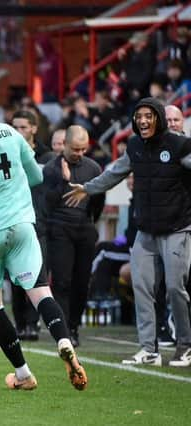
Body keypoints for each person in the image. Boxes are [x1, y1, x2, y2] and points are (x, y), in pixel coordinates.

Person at [0, 83, 87, 391]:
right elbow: (35, 175)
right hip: (21, 225)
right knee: (40, 292)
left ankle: (23, 374)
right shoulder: (9, 132)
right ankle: (63, 339)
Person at [64, 97, 191, 367]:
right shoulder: (134, 146)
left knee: (174, 288)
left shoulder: (180, 145)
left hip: (177, 227)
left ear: (157, 117)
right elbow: (114, 174)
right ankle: (149, 349)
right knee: (142, 287)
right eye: (139, 116)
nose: (143, 121)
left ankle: (185, 346)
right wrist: (87, 188)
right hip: (145, 229)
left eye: (148, 116)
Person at [43, 125, 104, 347]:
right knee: (62, 281)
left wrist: (90, 223)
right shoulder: (51, 168)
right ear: (65, 145)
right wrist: (63, 180)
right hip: (59, 230)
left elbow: (98, 200)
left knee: (81, 282)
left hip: (84, 230)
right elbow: (47, 202)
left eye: (83, 149)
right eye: (75, 149)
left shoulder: (94, 168)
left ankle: (75, 325)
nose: (79, 153)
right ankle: (64, 329)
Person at [11, 109, 55, 340]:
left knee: (37, 275)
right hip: (14, 220)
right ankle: (20, 324)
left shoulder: (47, 158)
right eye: (15, 127)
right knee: (16, 277)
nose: (18, 132)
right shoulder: (7, 153)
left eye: (23, 127)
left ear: (34, 129)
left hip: (39, 222)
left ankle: (33, 322)